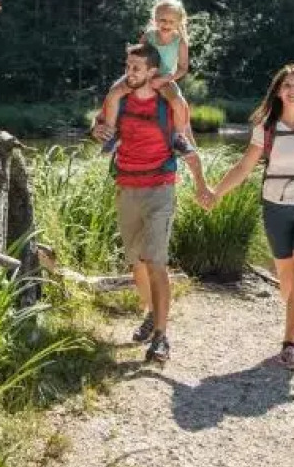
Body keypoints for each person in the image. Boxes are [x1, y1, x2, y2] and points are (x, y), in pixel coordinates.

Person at [205, 64, 294, 372]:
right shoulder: (266, 127)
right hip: (276, 207)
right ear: (279, 92)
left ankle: (288, 346)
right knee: (287, 280)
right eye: (287, 85)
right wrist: (217, 193)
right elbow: (244, 167)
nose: (293, 90)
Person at [91, 42, 212, 364]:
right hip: (126, 187)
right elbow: (100, 127)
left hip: (160, 188)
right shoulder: (120, 98)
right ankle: (150, 314)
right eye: (127, 66)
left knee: (155, 261)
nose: (129, 73)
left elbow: (187, 145)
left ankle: (161, 336)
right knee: (137, 262)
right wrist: (97, 131)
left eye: (136, 68)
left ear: (152, 72)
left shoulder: (167, 104)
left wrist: (202, 185)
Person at [99, 0, 194, 157]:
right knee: (114, 92)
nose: (166, 24)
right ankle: (111, 134)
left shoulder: (180, 42)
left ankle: (179, 138)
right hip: (142, 76)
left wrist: (165, 79)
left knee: (178, 103)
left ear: (179, 22)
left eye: (171, 21)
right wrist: (131, 75)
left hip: (163, 79)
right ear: (155, 19)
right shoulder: (149, 36)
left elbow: (182, 68)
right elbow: (138, 56)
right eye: (162, 20)